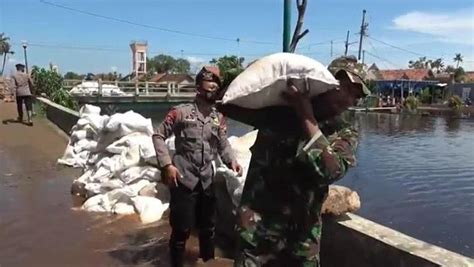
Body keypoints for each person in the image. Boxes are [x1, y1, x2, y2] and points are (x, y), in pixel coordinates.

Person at [234, 56, 370, 267]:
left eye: (356, 96)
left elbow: (331, 170)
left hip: (301, 241)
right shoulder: (279, 110)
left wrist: (306, 116)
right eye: (345, 88)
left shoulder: (343, 131)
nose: (349, 100)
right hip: (258, 232)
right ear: (327, 81)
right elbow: (230, 103)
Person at [152, 66, 243, 267]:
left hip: (206, 180)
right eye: (208, 85)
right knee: (181, 229)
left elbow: (222, 143)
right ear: (198, 88)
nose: (213, 89)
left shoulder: (217, 118)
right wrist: (167, 165)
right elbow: (158, 136)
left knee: (208, 227)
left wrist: (232, 161)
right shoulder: (180, 113)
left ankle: (207, 262)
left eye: (215, 86)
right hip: (183, 178)